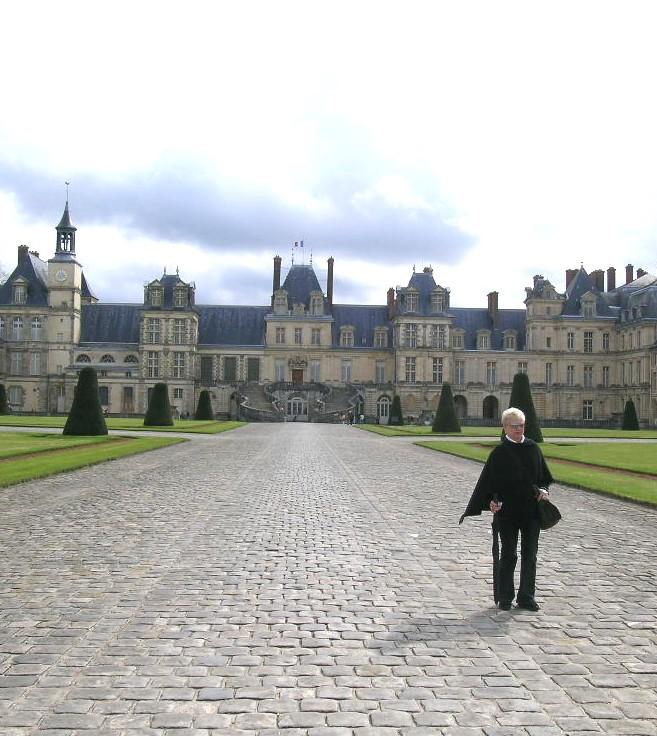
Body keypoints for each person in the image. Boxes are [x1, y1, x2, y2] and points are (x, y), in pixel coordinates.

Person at [459, 407, 553, 612]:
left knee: (530, 554)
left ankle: (526, 597)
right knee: (508, 554)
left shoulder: (533, 448)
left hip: (531, 511)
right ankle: (505, 596)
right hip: (507, 513)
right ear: (505, 428)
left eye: (522, 425)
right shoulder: (499, 453)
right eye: (515, 426)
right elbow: (487, 484)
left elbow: (544, 477)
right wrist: (491, 502)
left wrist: (544, 490)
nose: (519, 429)